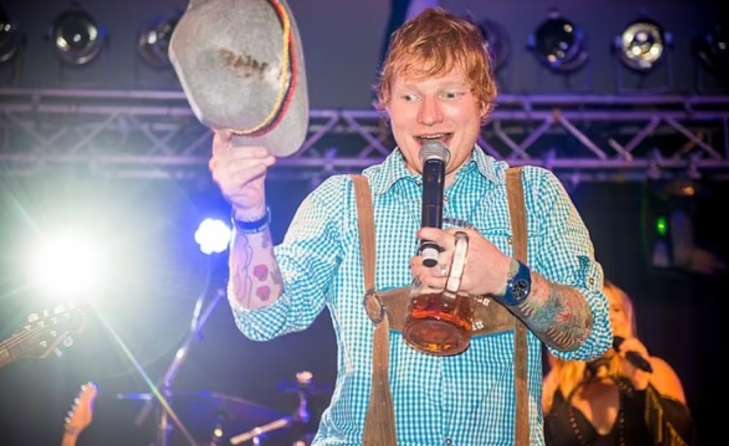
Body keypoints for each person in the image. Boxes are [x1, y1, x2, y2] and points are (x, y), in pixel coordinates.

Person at [209, 8, 611, 445]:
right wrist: (249, 213)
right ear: (386, 104)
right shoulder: (343, 202)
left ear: (483, 101)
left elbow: (592, 337)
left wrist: (505, 277)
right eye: (410, 96)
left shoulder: (534, 196)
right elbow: (263, 320)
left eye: (450, 94)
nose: (429, 116)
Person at [542, 281, 693, 445]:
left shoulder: (652, 370)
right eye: (598, 309)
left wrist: (641, 386)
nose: (610, 317)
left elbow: (680, 439)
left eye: (616, 309)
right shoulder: (555, 385)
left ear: (627, 319)